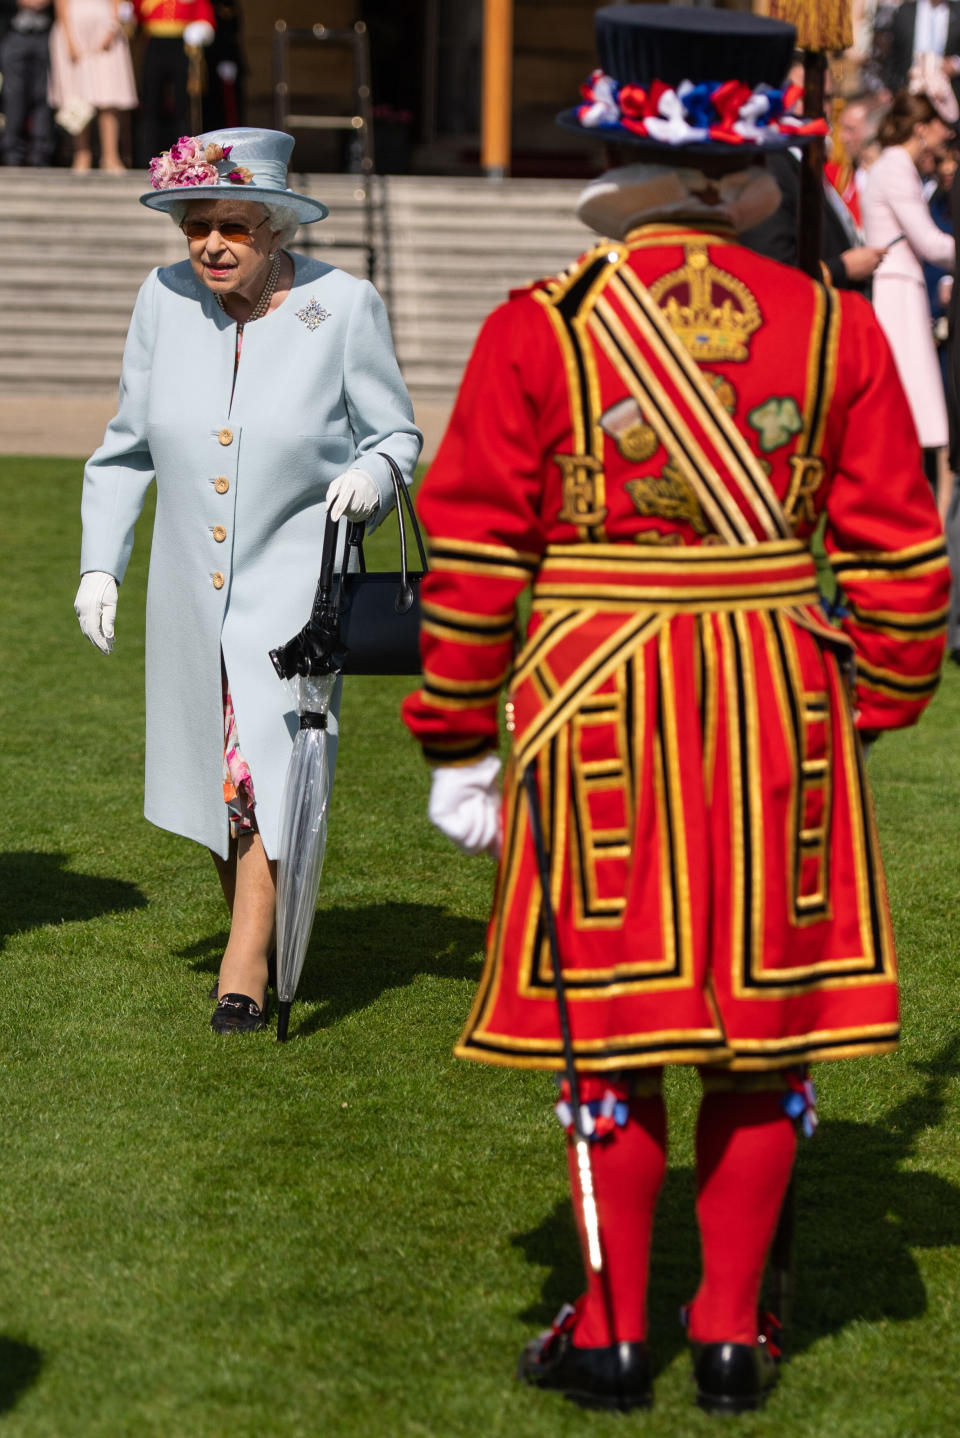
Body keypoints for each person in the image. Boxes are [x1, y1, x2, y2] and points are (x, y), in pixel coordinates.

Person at [402, 4, 948, 1416]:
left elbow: (474, 552)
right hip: (779, 702)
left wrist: (459, 734)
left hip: (593, 706)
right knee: (765, 1029)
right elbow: (901, 555)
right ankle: (726, 1333)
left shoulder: (538, 326)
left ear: (615, 154)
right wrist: (872, 700)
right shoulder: (831, 332)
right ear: (753, 170)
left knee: (614, 1028)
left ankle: (607, 1326)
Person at [75, 127, 421, 1033]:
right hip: (189, 594)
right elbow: (125, 447)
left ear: (274, 227)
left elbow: (397, 437)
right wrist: (99, 563)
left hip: (293, 595)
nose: (213, 244)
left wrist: (374, 476)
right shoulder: (162, 300)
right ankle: (252, 929)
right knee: (213, 776)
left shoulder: (341, 306)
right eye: (198, 225)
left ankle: (243, 964)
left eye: (234, 224)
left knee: (263, 767)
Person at [863, 84, 957, 512]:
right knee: (909, 406)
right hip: (896, 291)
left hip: (899, 287)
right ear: (920, 128)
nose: (944, 137)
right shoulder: (896, 165)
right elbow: (930, 242)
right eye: (940, 129)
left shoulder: (893, 164)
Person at [48, 0, 137, 170]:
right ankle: (81, 153)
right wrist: (69, 39)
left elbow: (119, 3)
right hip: (73, 32)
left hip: (105, 33)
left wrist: (112, 28)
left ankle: (110, 156)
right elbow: (61, 5)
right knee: (77, 96)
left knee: (109, 95)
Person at [132, 0, 214, 165]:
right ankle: (146, 158)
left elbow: (204, 14)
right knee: (150, 102)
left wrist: (201, 28)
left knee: (182, 105)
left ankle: (186, 157)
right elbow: (136, 15)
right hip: (154, 44)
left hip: (181, 44)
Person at [0, 0, 54, 166]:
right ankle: (11, 152)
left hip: (47, 33)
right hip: (13, 33)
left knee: (44, 94)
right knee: (13, 95)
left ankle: (40, 152)